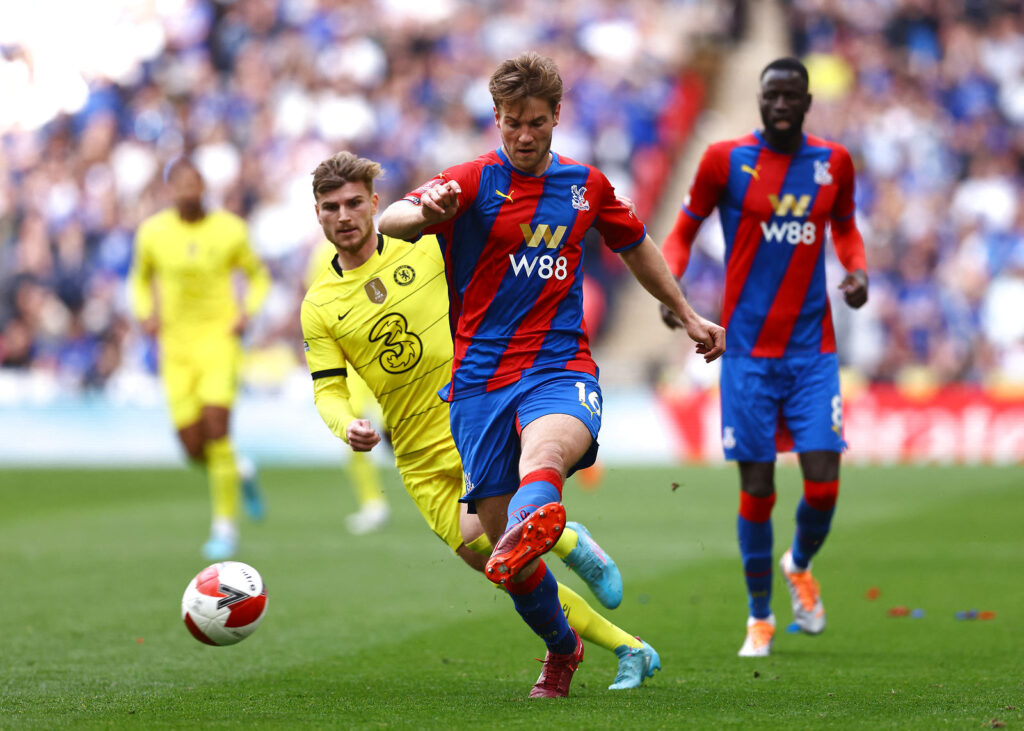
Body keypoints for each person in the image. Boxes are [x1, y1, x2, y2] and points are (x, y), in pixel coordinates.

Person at [377, 52, 725, 697]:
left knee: (549, 445)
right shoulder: (470, 182)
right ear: (497, 118)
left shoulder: (584, 186)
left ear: (557, 116)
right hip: (480, 380)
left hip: (558, 363)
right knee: (502, 554)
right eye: (512, 123)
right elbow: (390, 218)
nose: (525, 135)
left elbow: (635, 244)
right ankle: (561, 643)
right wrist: (426, 215)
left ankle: (543, 519)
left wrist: (684, 310)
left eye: (537, 122)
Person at [301, 150, 662, 692]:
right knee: (505, 570)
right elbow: (328, 390)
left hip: (469, 418)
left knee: (503, 548)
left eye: (355, 202)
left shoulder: (423, 246)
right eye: (332, 207)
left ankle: (588, 601)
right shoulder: (319, 305)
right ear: (319, 214)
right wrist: (345, 422)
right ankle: (606, 631)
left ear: (376, 203)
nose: (345, 215)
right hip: (417, 460)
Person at [660, 57, 869, 657]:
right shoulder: (724, 161)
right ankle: (759, 618)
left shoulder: (833, 164)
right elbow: (682, 230)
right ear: (759, 99)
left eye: (790, 97)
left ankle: (799, 563)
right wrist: (671, 290)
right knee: (757, 486)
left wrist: (856, 272)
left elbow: (848, 229)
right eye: (770, 96)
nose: (780, 105)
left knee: (824, 482)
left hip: (812, 351)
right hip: (747, 352)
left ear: (806, 102)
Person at [129, 157, 270, 560]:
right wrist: (144, 313)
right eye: (180, 185)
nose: (188, 191)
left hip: (218, 340)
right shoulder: (152, 233)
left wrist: (247, 312)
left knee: (217, 428)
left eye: (194, 184)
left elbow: (259, 276)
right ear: (170, 190)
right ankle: (240, 470)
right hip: (175, 348)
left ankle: (224, 528)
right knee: (193, 448)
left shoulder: (231, 230)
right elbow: (138, 279)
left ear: (203, 186)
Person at [305, 240, 391, 535]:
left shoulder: (382, 248)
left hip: (387, 351)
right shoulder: (319, 256)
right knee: (352, 426)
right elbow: (316, 304)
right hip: (350, 357)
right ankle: (372, 503)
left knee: (398, 425)